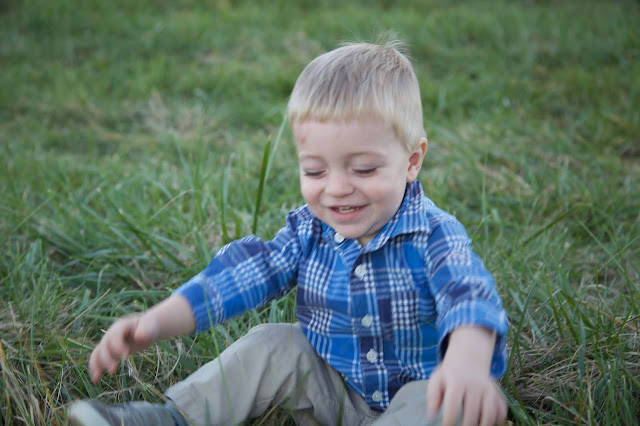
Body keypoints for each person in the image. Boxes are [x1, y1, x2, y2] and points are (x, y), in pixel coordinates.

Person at [68, 37, 509, 426]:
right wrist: (153, 322)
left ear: (412, 161)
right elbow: (238, 279)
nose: (337, 188)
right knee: (273, 343)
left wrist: (467, 363)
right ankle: (175, 418)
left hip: (428, 393)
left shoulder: (434, 235)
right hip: (338, 390)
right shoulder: (309, 231)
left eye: (363, 169)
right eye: (315, 170)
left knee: (442, 405)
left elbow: (468, 295)